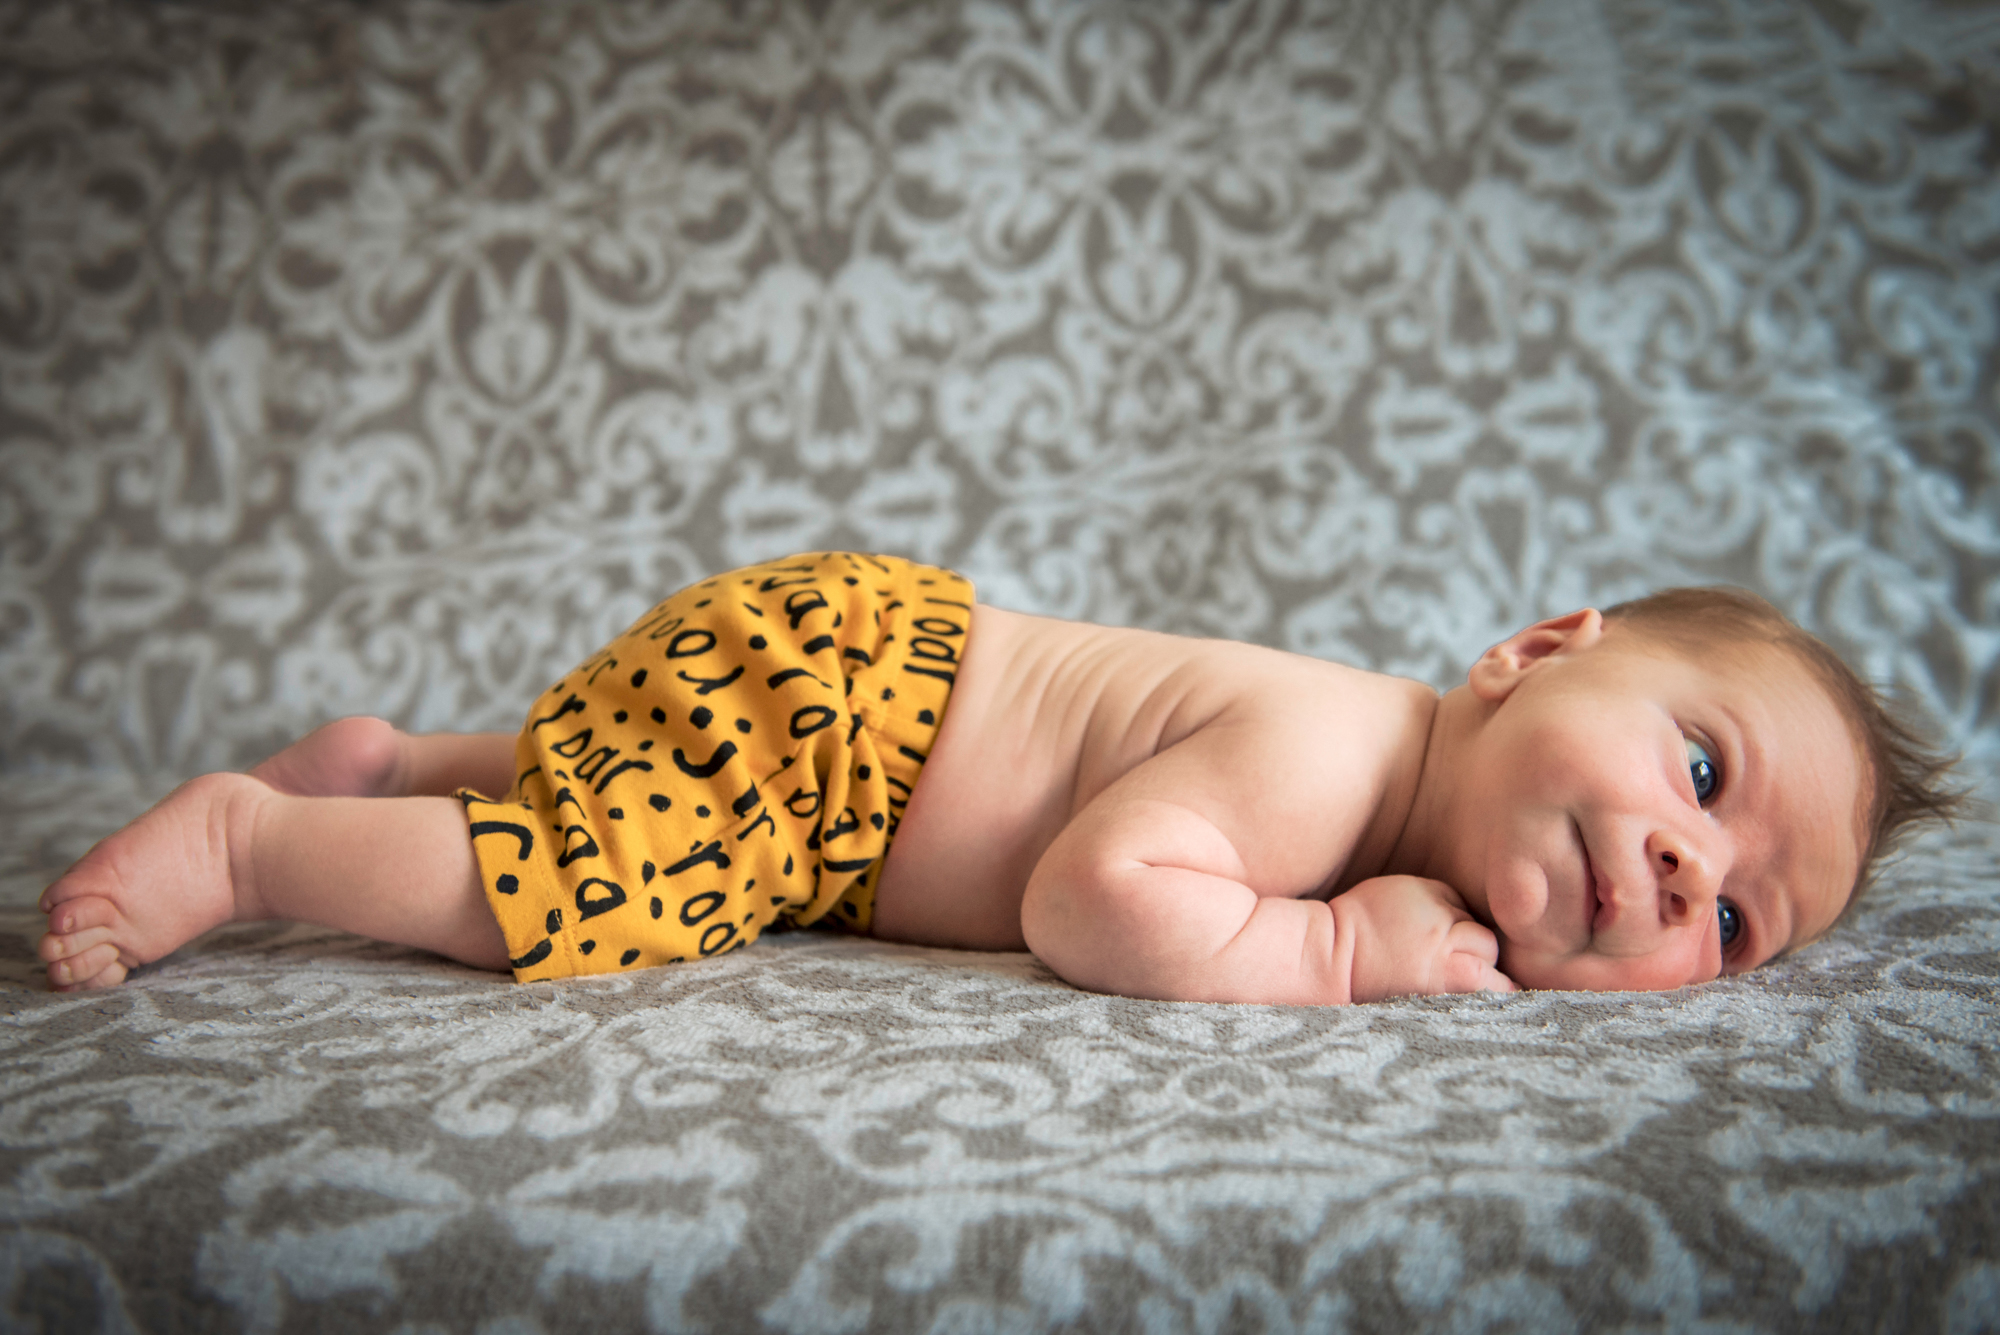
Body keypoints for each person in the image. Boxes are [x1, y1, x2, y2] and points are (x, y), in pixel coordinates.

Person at [35, 552, 1962, 1002]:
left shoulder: (1383, 774)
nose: (1678, 865)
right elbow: (1088, 899)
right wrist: (1334, 959)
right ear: (1535, 653)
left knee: (612, 787)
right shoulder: (1328, 757)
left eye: (1737, 913)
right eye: (1700, 766)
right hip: (841, 724)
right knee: (611, 883)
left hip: (837, 706)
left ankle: (395, 759)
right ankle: (262, 836)